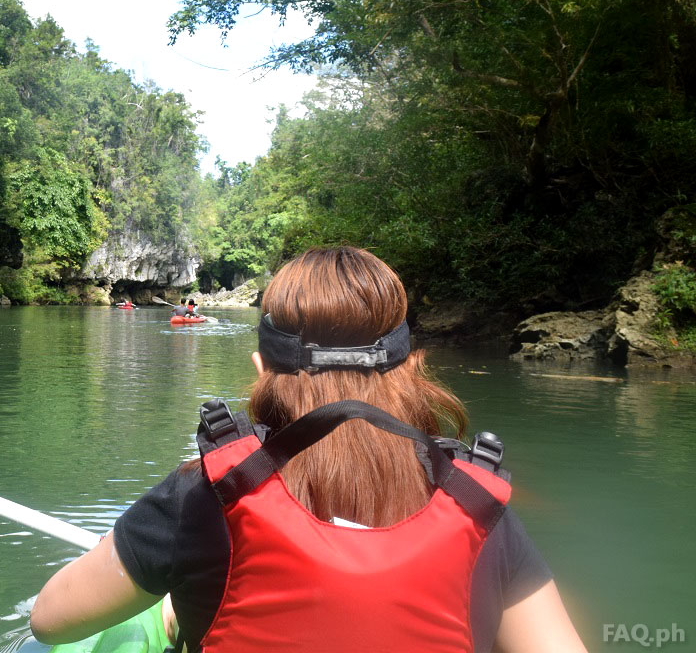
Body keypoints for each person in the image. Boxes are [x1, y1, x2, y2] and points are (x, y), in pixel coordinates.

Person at [31, 246, 587, 652]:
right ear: (411, 368)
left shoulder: (205, 497)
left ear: (261, 369)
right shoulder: (477, 508)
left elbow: (49, 621)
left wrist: (176, 590)